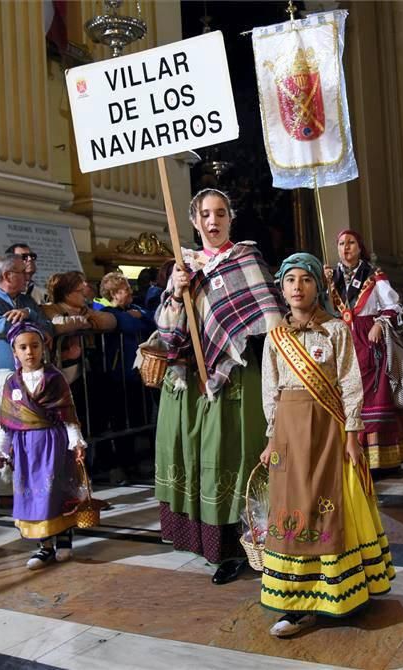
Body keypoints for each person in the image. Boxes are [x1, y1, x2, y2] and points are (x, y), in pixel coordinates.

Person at [151, 188, 284, 584]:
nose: (213, 221)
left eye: (220, 213)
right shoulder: (182, 265)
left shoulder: (246, 258)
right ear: (194, 221)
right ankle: (198, 538)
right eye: (205, 214)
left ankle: (238, 545)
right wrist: (176, 292)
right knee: (192, 453)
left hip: (234, 375)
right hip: (188, 380)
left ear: (230, 217)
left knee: (230, 454)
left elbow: (270, 318)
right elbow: (167, 333)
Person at [259, 253, 395, 638]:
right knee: (292, 505)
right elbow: (270, 391)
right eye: (290, 280)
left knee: (330, 502)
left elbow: (351, 384)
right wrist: (271, 438)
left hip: (328, 430)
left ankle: (340, 592)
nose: (297, 287)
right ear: (281, 289)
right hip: (288, 430)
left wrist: (353, 434)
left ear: (318, 285)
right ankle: (296, 602)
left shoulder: (336, 330)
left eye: (305, 279)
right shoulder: (275, 337)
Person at [0, 322, 86, 570]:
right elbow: (7, 422)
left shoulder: (55, 378)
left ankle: (64, 538)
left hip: (53, 444)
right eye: (23, 347)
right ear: (15, 352)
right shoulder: (12, 384)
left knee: (58, 490)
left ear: (44, 348)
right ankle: (44, 545)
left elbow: (68, 412)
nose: (29, 352)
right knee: (33, 495)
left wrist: (75, 440)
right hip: (26, 450)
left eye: (34, 346)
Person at [328, 230, 403, 471]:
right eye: (341, 243)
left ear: (360, 247)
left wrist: (380, 323)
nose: (346, 247)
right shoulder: (332, 276)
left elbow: (392, 305)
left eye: (350, 243)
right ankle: (351, 452)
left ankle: (383, 458)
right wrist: (325, 282)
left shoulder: (373, 274)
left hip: (368, 338)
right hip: (342, 338)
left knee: (374, 395)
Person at [100, 271, 156, 485]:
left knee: (139, 418)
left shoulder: (136, 310)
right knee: (120, 422)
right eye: (124, 289)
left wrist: (142, 316)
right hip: (117, 375)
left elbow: (153, 320)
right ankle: (123, 464)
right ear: (114, 293)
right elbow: (129, 325)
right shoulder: (107, 312)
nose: (130, 292)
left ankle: (138, 461)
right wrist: (136, 320)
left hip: (138, 374)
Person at [0, 254, 53, 400]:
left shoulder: (27, 301)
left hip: (31, 370)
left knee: (56, 385)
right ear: (8, 276)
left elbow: (48, 327)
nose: (28, 277)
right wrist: (34, 326)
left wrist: (29, 314)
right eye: (23, 272)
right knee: (23, 389)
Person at [41, 271, 117, 385]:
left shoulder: (84, 310)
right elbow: (58, 324)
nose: (85, 295)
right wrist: (82, 321)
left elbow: (111, 320)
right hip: (60, 371)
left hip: (84, 369)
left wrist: (89, 323)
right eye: (80, 291)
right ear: (67, 294)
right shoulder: (50, 308)